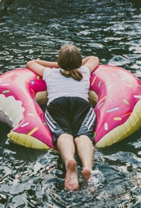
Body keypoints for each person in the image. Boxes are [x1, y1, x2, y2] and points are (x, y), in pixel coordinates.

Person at [27, 45, 99, 191]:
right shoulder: (84, 71)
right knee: (84, 134)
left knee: (63, 134)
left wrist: (58, 65)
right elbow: (94, 58)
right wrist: (77, 65)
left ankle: (69, 162)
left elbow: (31, 63)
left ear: (60, 62)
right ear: (79, 63)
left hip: (57, 105)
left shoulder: (49, 73)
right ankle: (87, 168)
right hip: (80, 104)